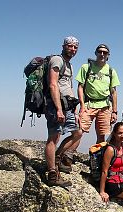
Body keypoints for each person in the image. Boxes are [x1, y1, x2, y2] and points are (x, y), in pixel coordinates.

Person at [45, 36, 83, 187]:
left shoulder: (69, 65)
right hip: (56, 105)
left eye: (75, 47)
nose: (73, 49)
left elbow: (68, 87)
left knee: (78, 133)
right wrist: (59, 109)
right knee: (54, 138)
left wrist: (73, 110)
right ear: (63, 46)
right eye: (70, 46)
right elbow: (53, 85)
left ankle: (57, 159)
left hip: (67, 106)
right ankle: (52, 173)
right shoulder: (57, 60)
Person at [76, 43, 120, 143]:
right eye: (100, 52)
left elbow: (113, 92)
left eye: (105, 52)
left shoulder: (111, 71)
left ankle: (98, 156)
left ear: (108, 55)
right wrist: (82, 105)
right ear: (96, 53)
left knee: (101, 135)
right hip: (88, 104)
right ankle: (67, 155)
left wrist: (114, 111)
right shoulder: (86, 67)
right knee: (79, 131)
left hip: (105, 105)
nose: (102, 54)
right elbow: (80, 87)